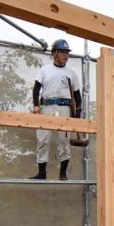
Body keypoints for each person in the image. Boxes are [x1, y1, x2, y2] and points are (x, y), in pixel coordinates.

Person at [31, 39, 81, 180]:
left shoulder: (71, 73)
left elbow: (77, 94)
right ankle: (42, 173)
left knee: (63, 139)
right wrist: (36, 105)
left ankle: (63, 173)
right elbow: (36, 88)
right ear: (55, 53)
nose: (66, 55)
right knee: (43, 138)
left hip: (63, 107)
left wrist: (78, 112)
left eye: (67, 52)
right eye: (63, 52)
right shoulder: (45, 69)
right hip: (47, 105)